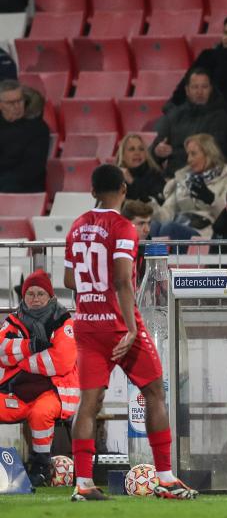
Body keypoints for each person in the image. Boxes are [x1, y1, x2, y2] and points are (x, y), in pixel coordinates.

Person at [64, 164, 198, 500]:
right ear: (123, 189)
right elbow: (123, 280)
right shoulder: (122, 227)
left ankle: (82, 484)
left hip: (86, 322)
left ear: (93, 191)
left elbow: (69, 281)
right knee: (154, 392)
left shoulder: (76, 227)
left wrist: (91, 294)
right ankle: (165, 479)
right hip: (117, 324)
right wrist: (131, 327)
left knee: (89, 402)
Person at [0, 270, 79, 487]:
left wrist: (21, 361)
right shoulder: (13, 320)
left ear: (51, 297)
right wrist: (30, 346)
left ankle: (41, 467)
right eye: (30, 294)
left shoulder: (64, 321)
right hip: (18, 393)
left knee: (41, 413)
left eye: (40, 294)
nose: (35, 298)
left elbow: (61, 361)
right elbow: (1, 350)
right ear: (23, 298)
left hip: (56, 391)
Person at [156, 134, 227, 240]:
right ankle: (155, 257)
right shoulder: (184, 179)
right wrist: (150, 206)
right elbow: (166, 214)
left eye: (193, 154)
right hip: (180, 226)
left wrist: (211, 199)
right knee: (153, 227)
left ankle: (158, 257)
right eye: (188, 154)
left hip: (207, 234)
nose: (189, 159)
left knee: (168, 229)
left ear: (209, 154)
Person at [150, 69, 227, 177]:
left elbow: (213, 152)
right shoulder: (174, 115)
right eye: (195, 87)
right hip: (173, 177)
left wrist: (173, 152)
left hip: (206, 177)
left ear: (211, 89)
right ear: (187, 90)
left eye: (204, 87)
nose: (199, 92)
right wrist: (158, 152)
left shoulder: (221, 117)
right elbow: (154, 150)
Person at [169, 16, 227, 110]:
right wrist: (174, 103)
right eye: (226, 33)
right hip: (196, 106)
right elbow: (187, 80)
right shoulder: (207, 55)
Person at [0, 80, 49, 193]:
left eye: (20, 100)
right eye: (11, 103)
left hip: (24, 189)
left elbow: (31, 170)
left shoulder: (38, 128)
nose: (17, 106)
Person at [116, 134, 166, 210]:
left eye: (141, 149)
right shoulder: (115, 177)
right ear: (122, 156)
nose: (137, 153)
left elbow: (158, 203)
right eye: (132, 149)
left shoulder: (155, 175)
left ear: (146, 154)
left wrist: (132, 181)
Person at [121, 200, 153, 280]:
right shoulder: (113, 247)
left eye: (149, 223)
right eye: (141, 224)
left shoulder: (149, 245)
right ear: (126, 224)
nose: (147, 230)